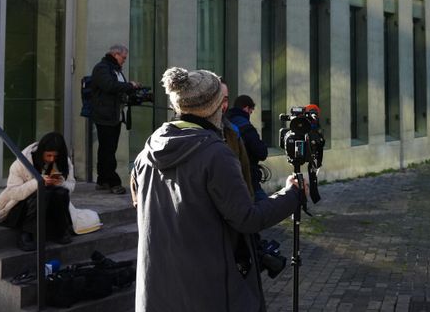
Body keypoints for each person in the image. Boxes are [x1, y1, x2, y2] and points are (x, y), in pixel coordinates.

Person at [131, 67, 305, 312]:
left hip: (157, 290)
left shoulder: (146, 153)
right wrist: (292, 194)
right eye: (222, 101)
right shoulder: (215, 154)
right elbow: (247, 218)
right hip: (208, 291)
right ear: (215, 106)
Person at [0, 132, 75, 251]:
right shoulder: (21, 163)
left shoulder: (64, 161)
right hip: (22, 207)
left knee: (60, 192)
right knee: (44, 192)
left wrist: (60, 183)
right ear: (41, 152)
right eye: (48, 155)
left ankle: (60, 230)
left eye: (55, 156)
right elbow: (13, 192)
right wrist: (37, 182)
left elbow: (71, 185)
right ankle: (27, 233)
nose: (51, 159)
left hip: (50, 206)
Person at [90, 44, 139, 195]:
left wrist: (129, 89)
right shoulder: (102, 68)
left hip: (113, 115)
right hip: (105, 115)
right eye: (123, 58)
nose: (124, 60)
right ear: (116, 54)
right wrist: (129, 85)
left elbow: (116, 88)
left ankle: (102, 179)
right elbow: (110, 86)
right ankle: (113, 182)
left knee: (106, 149)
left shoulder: (114, 69)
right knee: (108, 149)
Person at [226, 95, 269, 201]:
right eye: (251, 111)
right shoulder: (246, 127)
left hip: (228, 177)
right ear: (246, 108)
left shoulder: (225, 122)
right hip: (248, 178)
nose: (250, 114)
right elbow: (261, 152)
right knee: (265, 209)